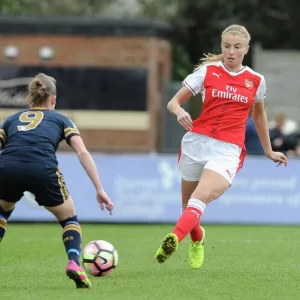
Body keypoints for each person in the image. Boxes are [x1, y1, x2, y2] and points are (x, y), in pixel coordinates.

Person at [154, 24, 288, 269]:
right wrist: (179, 111)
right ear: (222, 46)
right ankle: (197, 238)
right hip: (196, 143)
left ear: (246, 49)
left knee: (200, 197)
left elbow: (259, 116)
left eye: (237, 47)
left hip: (228, 149)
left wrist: (268, 151)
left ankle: (174, 237)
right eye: (227, 46)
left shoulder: (256, 80)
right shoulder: (208, 72)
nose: (231, 51)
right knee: (188, 207)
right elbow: (173, 102)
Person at [0, 73, 114, 288]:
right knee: (69, 218)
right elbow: (82, 152)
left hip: (7, 167)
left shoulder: (12, 119)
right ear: (53, 98)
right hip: (42, 169)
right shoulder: (61, 119)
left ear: (30, 98)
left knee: (2, 210)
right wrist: (99, 188)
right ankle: (73, 263)